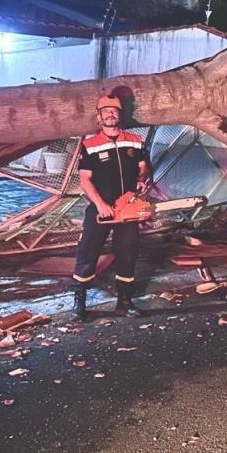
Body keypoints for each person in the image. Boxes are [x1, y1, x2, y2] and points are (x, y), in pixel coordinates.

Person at [71, 94, 153, 321]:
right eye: (106, 111)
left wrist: (142, 179)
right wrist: (100, 205)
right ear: (99, 117)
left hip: (128, 208)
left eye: (114, 111)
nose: (110, 114)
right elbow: (85, 179)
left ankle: (124, 302)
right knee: (88, 252)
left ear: (120, 115)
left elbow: (143, 167)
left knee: (128, 253)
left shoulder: (135, 140)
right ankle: (80, 302)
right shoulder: (90, 145)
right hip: (101, 208)